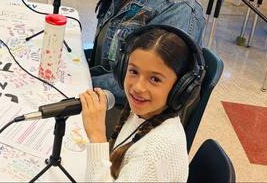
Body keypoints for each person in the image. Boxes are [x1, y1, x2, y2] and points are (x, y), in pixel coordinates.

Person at [80, 25, 203, 181]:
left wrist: (97, 136)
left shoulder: (153, 154)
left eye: (155, 79)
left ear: (181, 88)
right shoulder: (143, 113)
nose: (138, 87)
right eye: (134, 71)